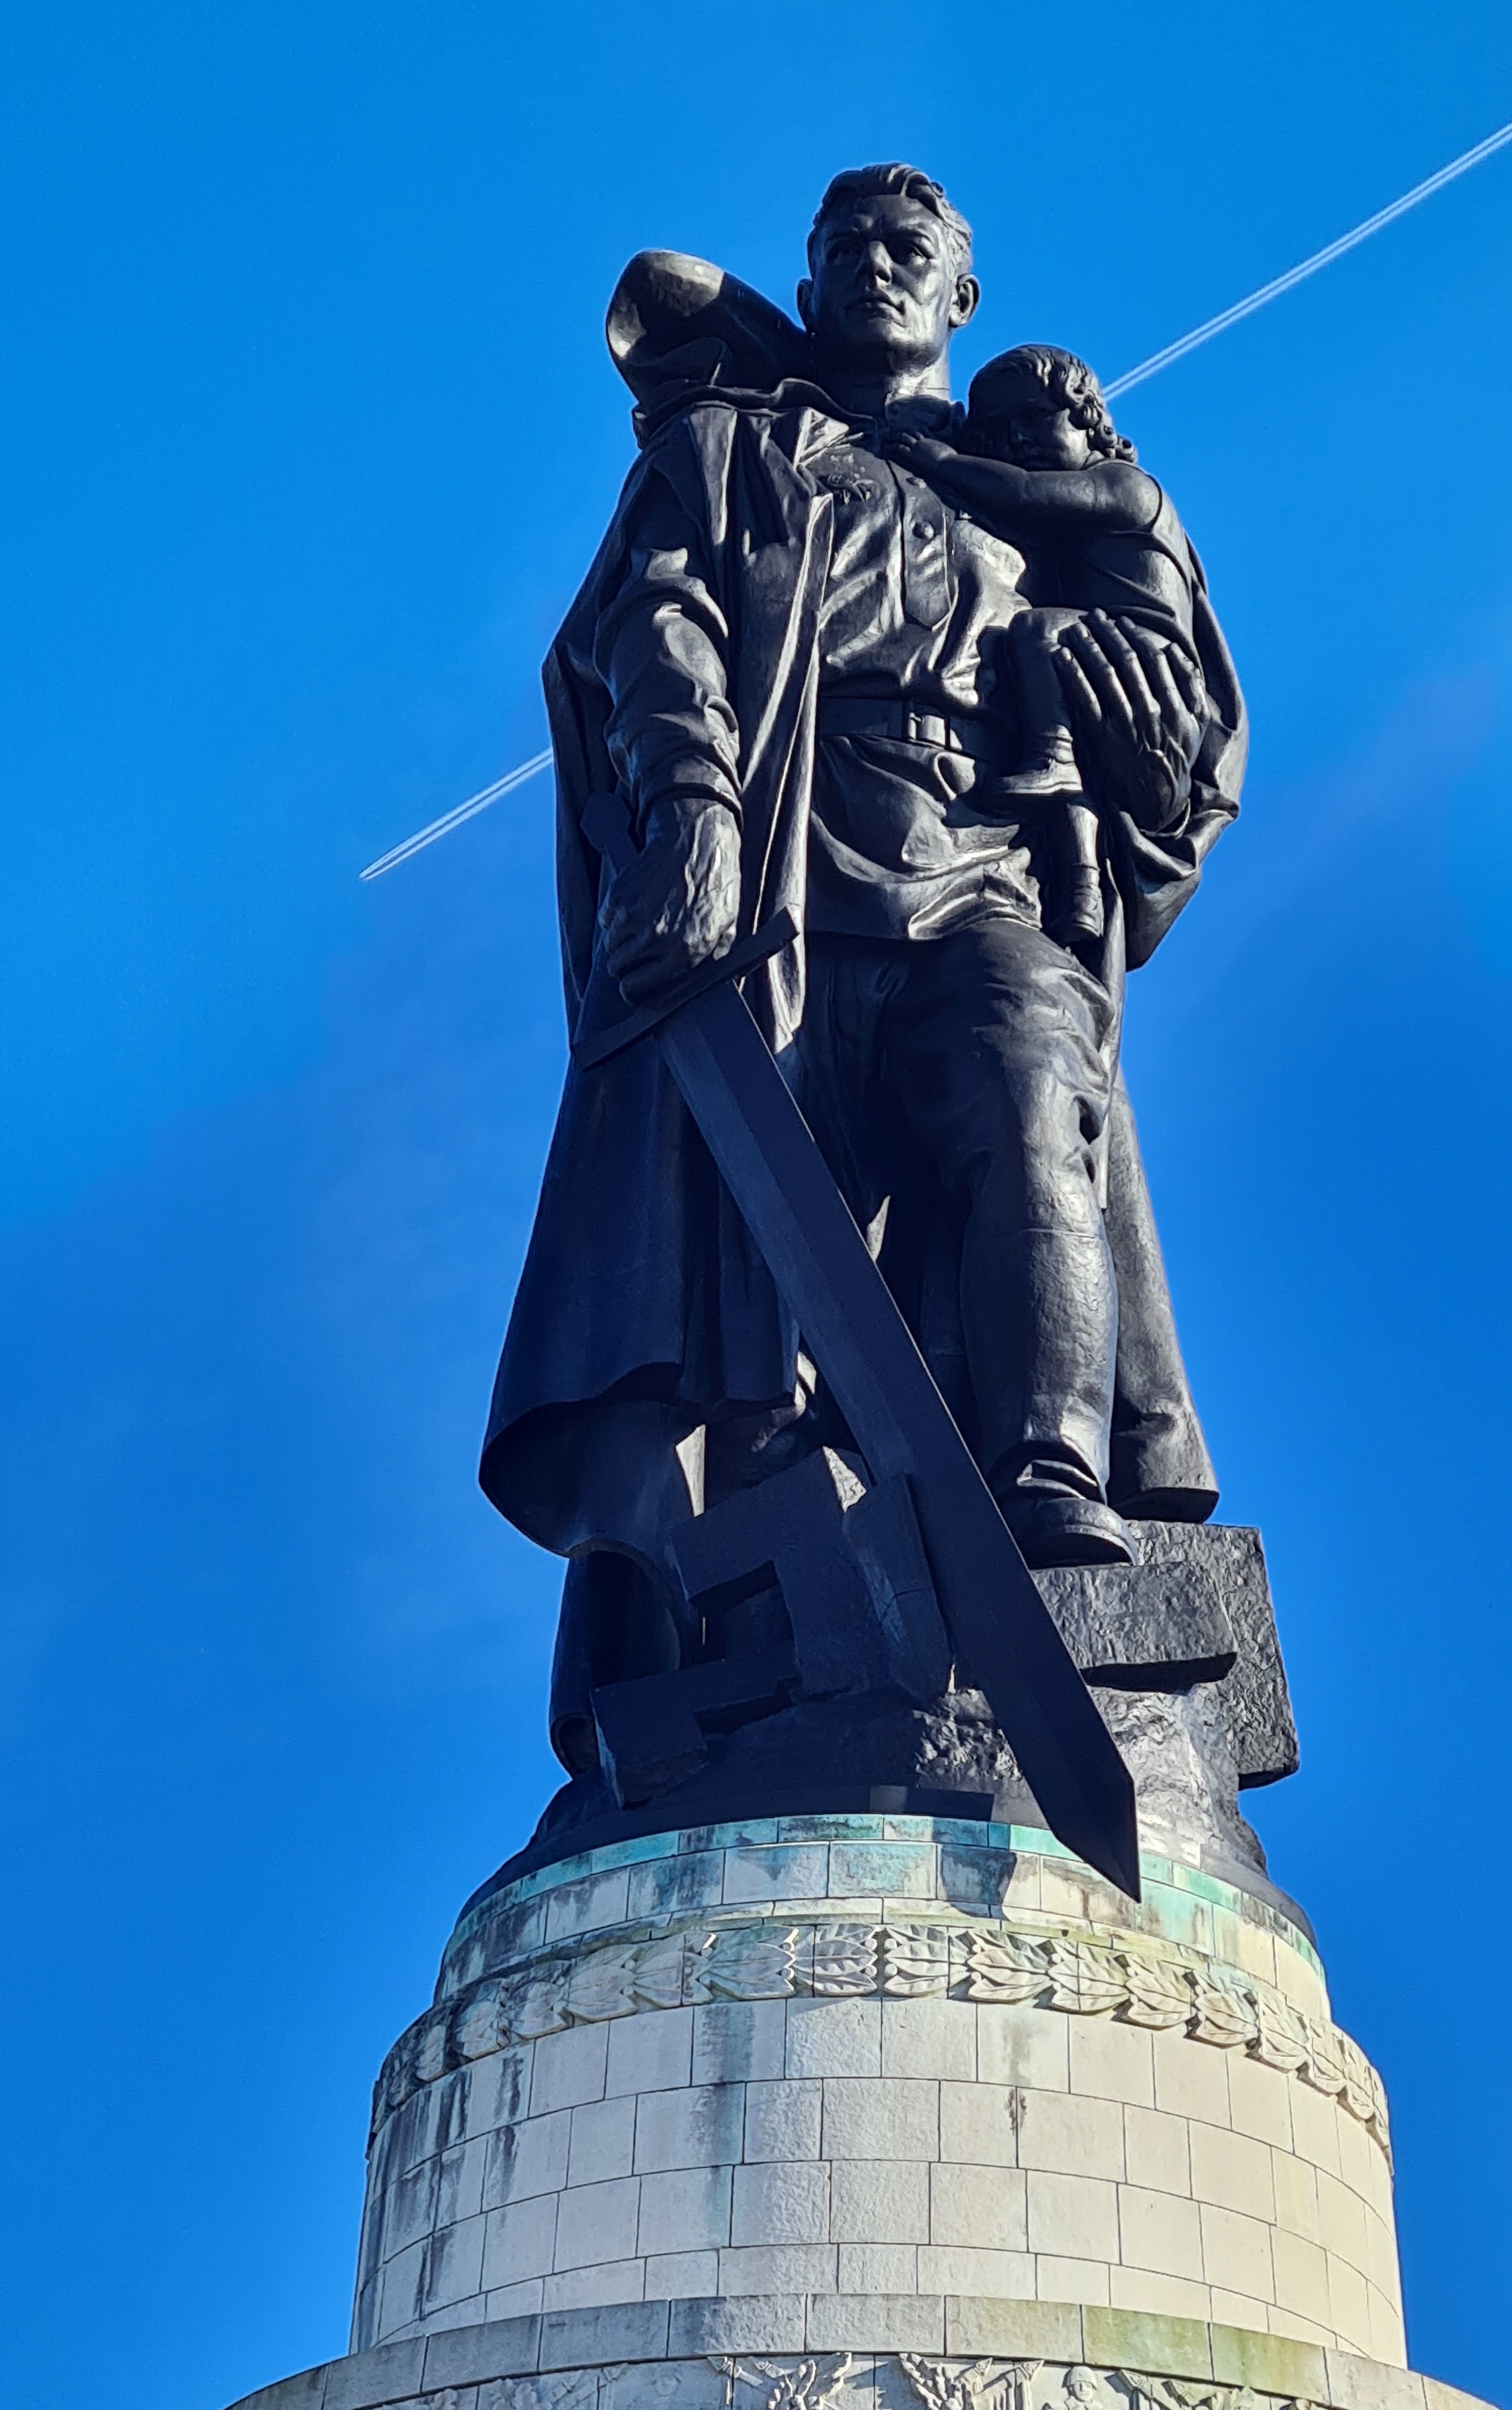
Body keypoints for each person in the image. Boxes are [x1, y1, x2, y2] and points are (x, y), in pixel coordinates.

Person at [480, 165, 1247, 1779]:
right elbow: (654, 632)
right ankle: (772, 1614)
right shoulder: (730, 450)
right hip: (778, 905)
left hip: (980, 885)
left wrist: (1125, 638)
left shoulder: (1031, 489)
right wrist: (690, 816)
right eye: (848, 249)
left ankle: (1048, 1483)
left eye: (915, 249)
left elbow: (1177, 730)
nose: (880, 267)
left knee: (1038, 1114)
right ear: (811, 282)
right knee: (757, 1280)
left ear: (961, 293)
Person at [887, 344, 1200, 946]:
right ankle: (1081, 888)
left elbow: (1025, 495)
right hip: (1095, 657)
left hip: (1143, 658)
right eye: (998, 431)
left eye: (1033, 418)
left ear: (1087, 417)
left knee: (1035, 629)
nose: (1017, 441)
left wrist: (943, 462)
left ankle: (1052, 752)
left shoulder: (1127, 488)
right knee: (1071, 785)